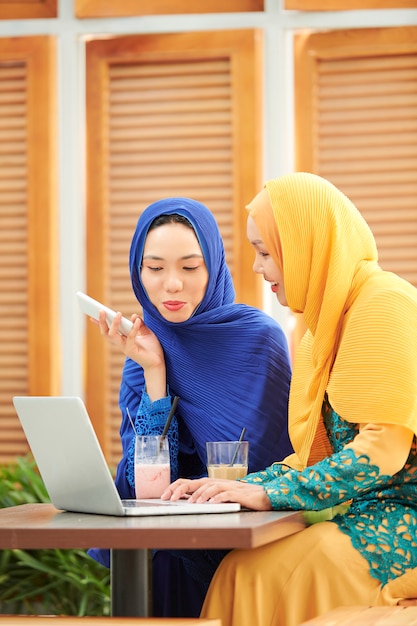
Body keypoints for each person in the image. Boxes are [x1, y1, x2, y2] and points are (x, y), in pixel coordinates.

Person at [162, 173, 417, 626]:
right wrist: (233, 488)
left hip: (405, 521)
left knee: (282, 572)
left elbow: (383, 450)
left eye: (265, 252)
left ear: (306, 246)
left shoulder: (384, 302)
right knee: (241, 570)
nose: (258, 268)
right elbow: (313, 456)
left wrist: (268, 492)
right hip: (364, 517)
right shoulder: (320, 332)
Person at [87, 197, 293, 617]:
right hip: (170, 551)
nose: (172, 284)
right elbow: (144, 487)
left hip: (250, 548)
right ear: (138, 271)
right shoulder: (143, 350)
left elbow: (281, 466)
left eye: (189, 267)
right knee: (160, 564)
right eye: (156, 268)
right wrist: (155, 373)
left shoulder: (259, 339)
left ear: (213, 265)